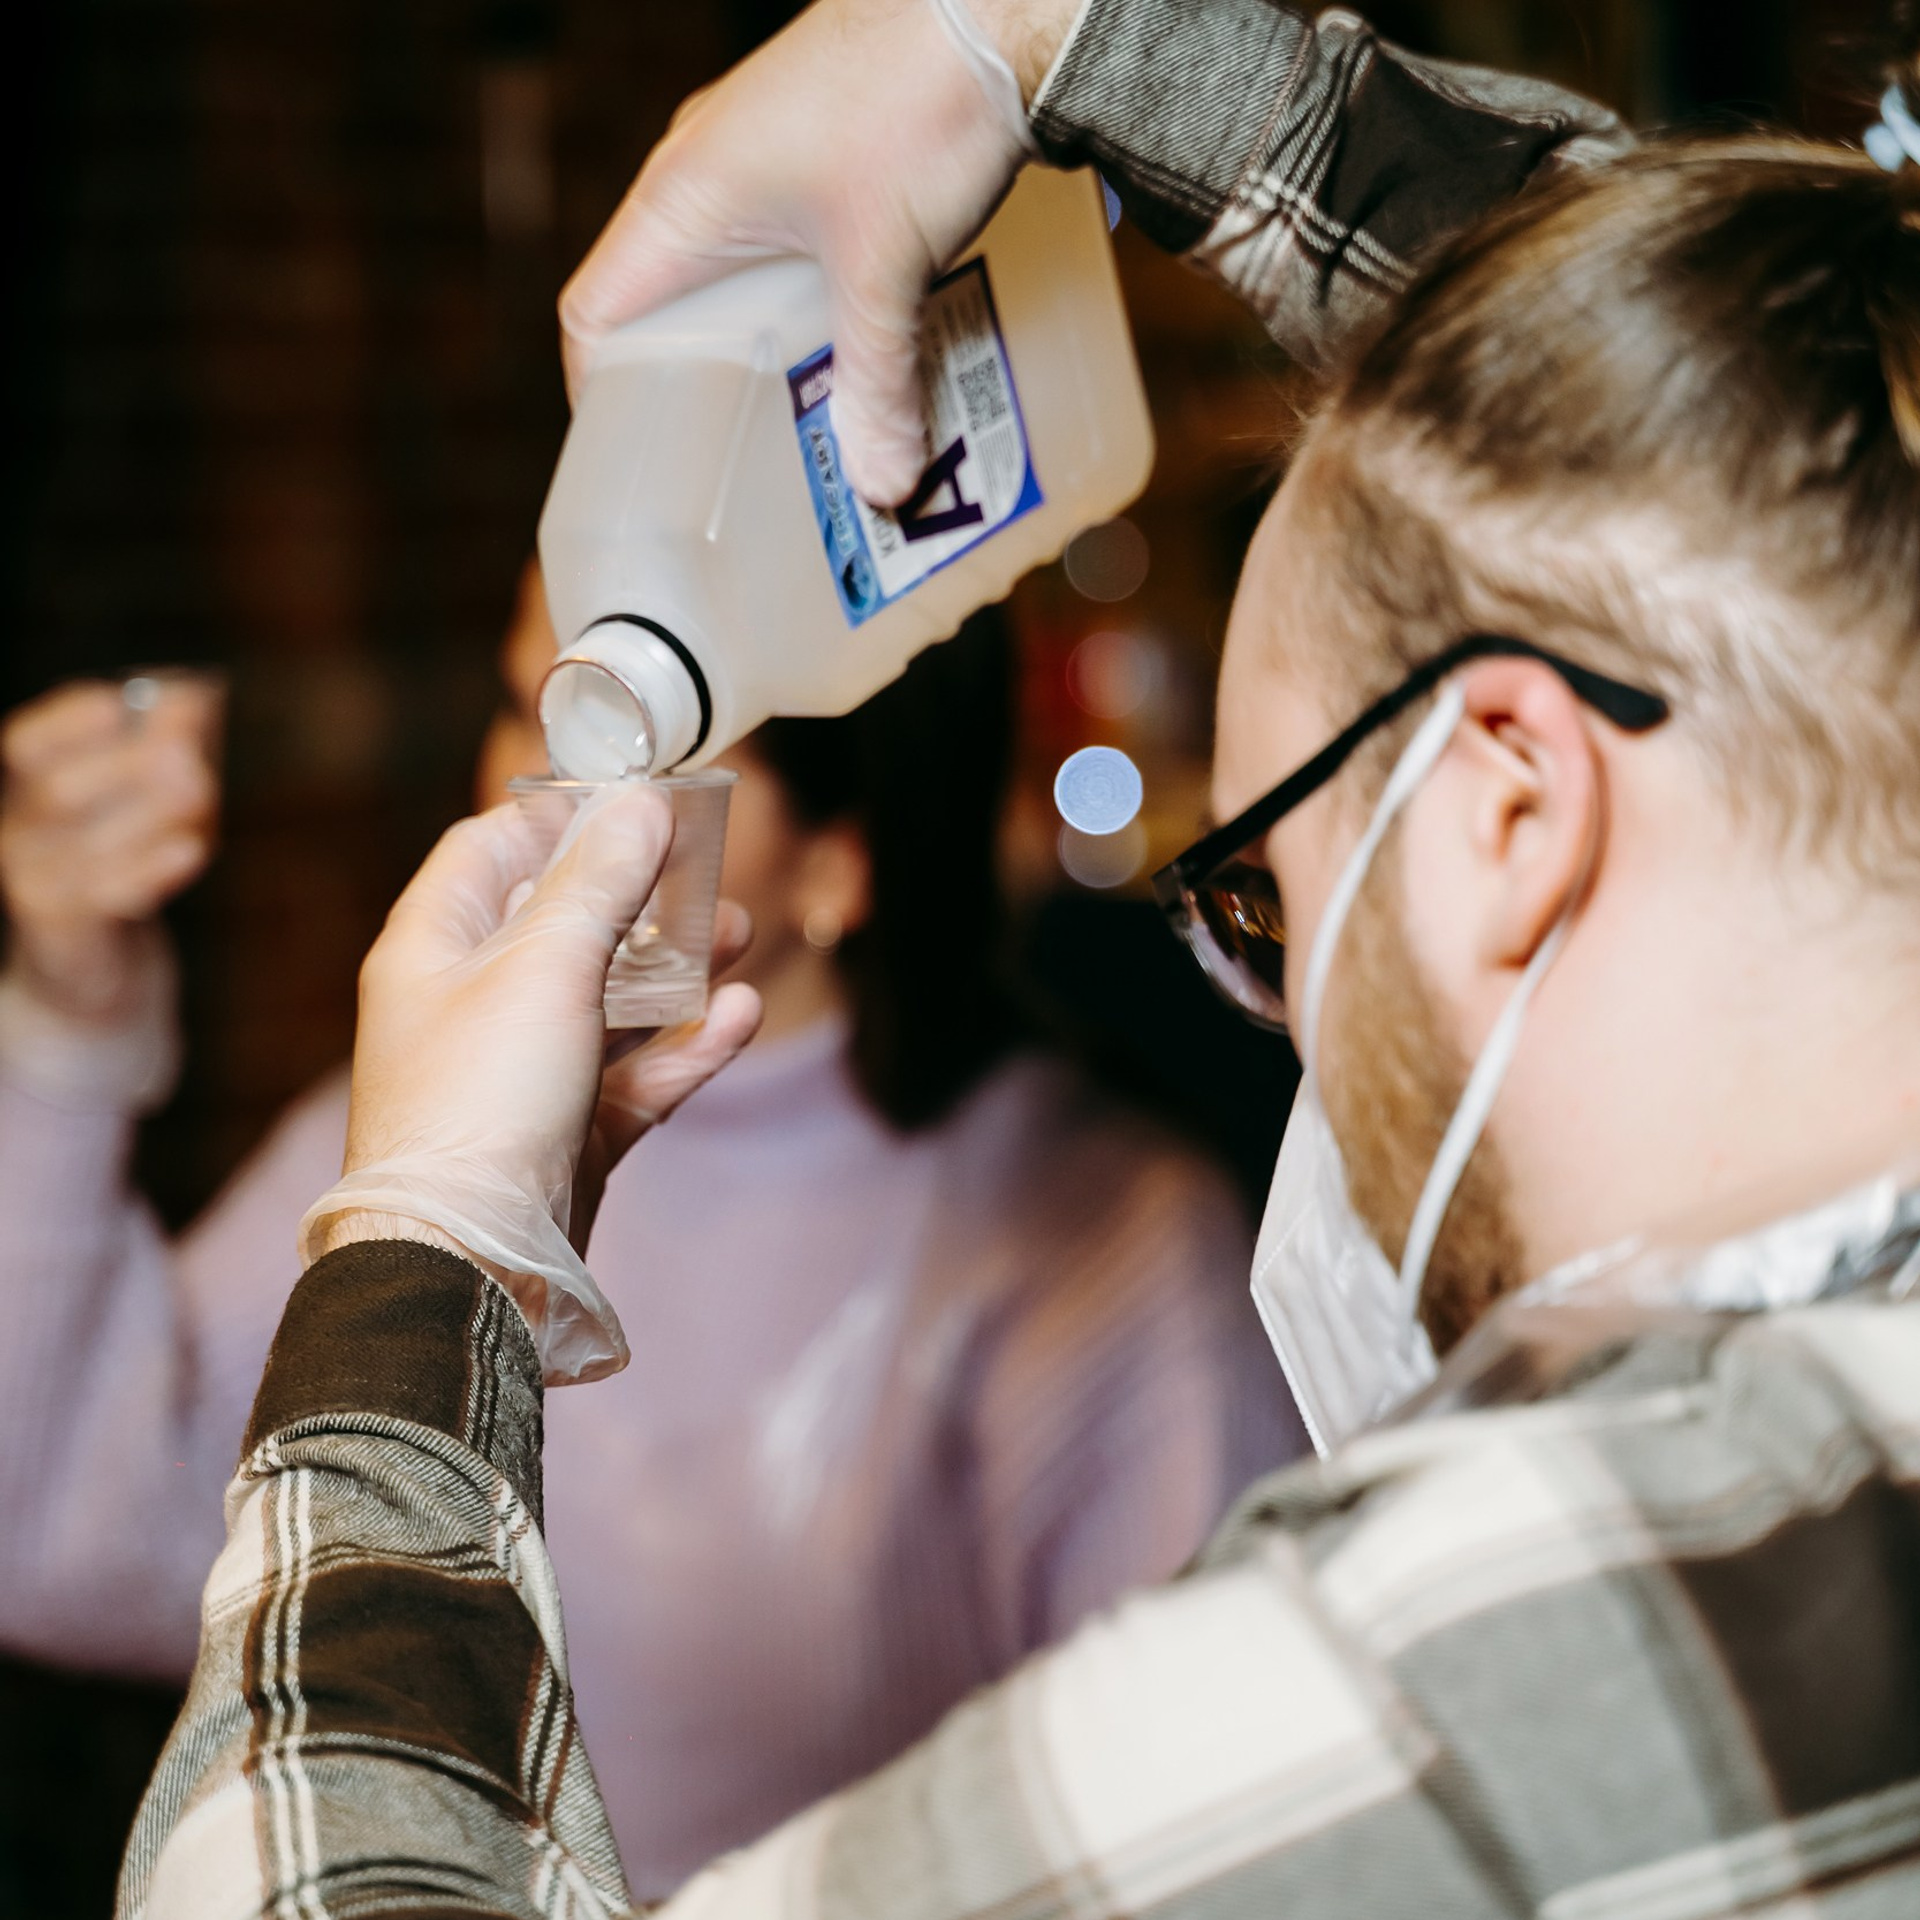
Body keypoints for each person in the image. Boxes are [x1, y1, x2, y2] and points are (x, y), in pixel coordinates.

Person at [113, 0, 1920, 1911]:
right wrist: (1071, 43)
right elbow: (1746, 446)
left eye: (1268, 894)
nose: (1286, 1006)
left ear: (1507, 817)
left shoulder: (1491, 1659)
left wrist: (427, 1244)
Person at [0, 577, 1298, 1887]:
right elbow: (53, 1530)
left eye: (641, 746)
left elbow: (1213, 1842)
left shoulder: (1101, 1244)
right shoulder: (420, 1135)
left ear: (843, 857)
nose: (540, 804)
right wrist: (70, 1005)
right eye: (529, 710)